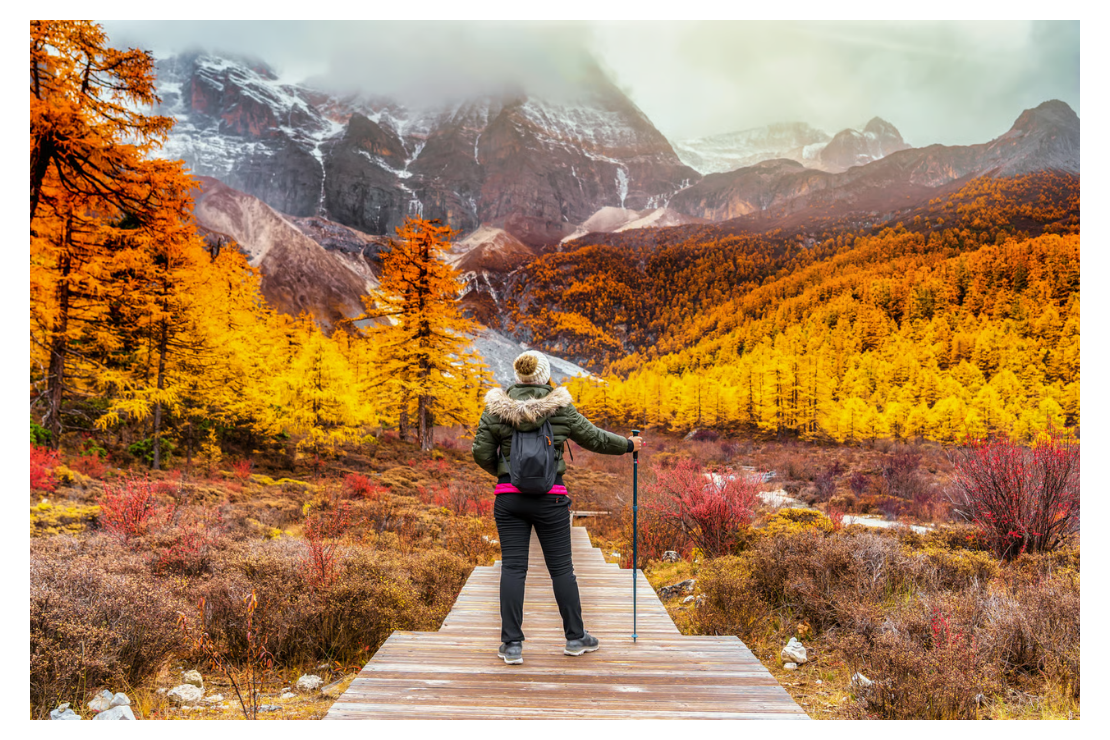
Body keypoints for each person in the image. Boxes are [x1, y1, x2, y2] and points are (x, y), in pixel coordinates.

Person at [471, 350, 644, 665]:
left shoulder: (496, 409)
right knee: (562, 569)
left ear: (519, 376)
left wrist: (506, 474)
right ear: (544, 375)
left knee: (513, 569)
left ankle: (512, 645)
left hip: (509, 499)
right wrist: (628, 445)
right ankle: (575, 638)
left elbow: (480, 452)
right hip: (551, 499)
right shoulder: (560, 407)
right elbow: (594, 439)